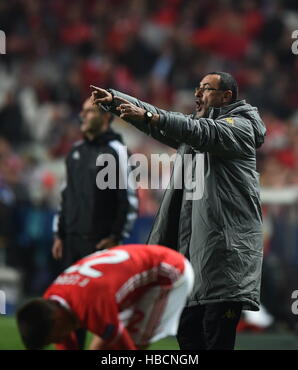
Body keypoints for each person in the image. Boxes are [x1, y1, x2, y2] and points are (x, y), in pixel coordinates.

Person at [90, 71, 267, 350]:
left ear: (226, 97)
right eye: (197, 88)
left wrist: (152, 117)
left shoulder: (240, 128)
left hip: (225, 259)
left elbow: (193, 129)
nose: (197, 94)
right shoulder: (197, 131)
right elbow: (163, 125)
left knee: (216, 339)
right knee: (188, 337)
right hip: (195, 259)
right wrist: (115, 101)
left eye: (206, 89)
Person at [51, 97, 139, 348]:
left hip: (99, 245)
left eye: (90, 111)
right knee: (68, 311)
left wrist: (116, 237)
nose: (83, 116)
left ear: (107, 117)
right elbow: (65, 195)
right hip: (71, 243)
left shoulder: (117, 151)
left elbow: (128, 198)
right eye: (83, 111)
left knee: (100, 312)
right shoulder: (75, 151)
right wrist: (59, 233)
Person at [16, 244, 194, 350]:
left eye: (54, 338)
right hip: (136, 271)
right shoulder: (53, 298)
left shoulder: (92, 304)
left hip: (169, 273)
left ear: (56, 318)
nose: (58, 341)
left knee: (133, 342)